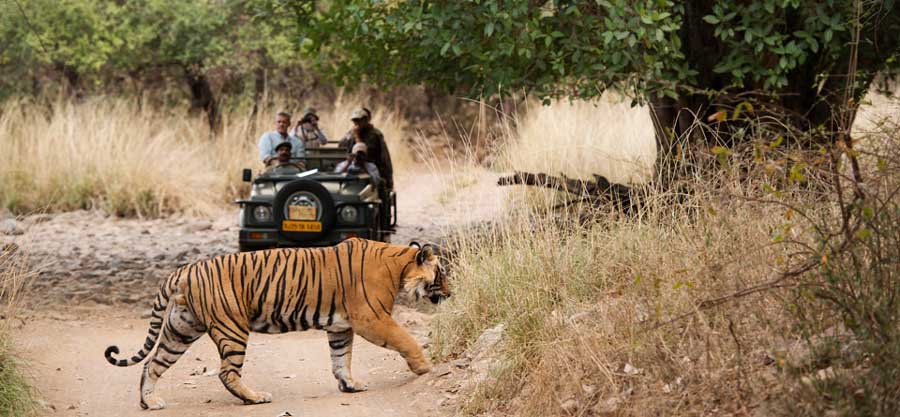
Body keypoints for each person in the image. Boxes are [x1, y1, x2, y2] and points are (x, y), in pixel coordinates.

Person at [338, 107, 393, 189]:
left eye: (359, 120)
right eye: (355, 121)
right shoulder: (351, 133)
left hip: (372, 167)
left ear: (366, 120)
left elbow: (363, 151)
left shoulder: (374, 135)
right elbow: (341, 146)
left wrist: (357, 136)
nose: (357, 123)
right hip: (352, 166)